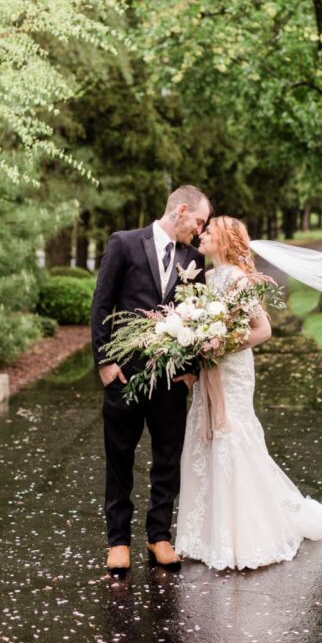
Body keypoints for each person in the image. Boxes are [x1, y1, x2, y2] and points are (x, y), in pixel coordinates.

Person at [176, 216, 322, 571]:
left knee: (232, 436)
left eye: (208, 231)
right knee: (206, 436)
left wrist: (221, 344)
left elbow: (262, 330)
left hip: (232, 371)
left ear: (223, 239)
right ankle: (204, 537)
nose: (201, 235)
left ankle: (242, 536)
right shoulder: (206, 278)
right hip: (210, 370)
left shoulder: (239, 278)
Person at [91, 184, 211, 578]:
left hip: (171, 382)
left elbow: (199, 315)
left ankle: (159, 536)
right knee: (120, 459)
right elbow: (102, 303)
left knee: (166, 458)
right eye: (198, 221)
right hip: (124, 375)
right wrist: (106, 363)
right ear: (180, 210)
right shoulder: (124, 244)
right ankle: (118, 542)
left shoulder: (194, 259)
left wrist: (190, 370)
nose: (199, 230)